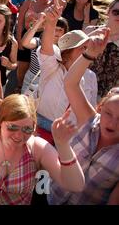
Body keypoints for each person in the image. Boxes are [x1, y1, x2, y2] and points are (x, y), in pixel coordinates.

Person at [49, 28, 119, 205]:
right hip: (50, 197)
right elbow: (70, 83)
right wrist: (89, 54)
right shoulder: (89, 119)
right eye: (109, 113)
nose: (113, 122)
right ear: (100, 108)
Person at [0, 94, 85, 205]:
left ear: (34, 127)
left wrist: (63, 145)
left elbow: (76, 185)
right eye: (12, 127)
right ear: (0, 123)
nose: (18, 135)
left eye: (27, 129)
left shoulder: (36, 148)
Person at [37, 0, 98, 144]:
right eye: (82, 48)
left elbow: (91, 111)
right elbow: (46, 49)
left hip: (71, 135)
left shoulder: (91, 77)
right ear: (68, 52)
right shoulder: (52, 67)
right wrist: (51, 22)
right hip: (41, 128)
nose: (87, 51)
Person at [87, 0, 119, 98]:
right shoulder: (91, 31)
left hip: (109, 96)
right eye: (116, 12)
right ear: (108, 12)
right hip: (84, 89)